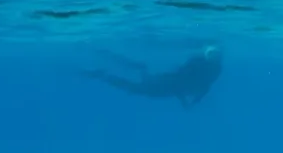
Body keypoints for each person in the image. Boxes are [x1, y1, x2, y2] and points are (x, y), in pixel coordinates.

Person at [82, 45, 223, 108]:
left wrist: (188, 101)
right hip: (163, 86)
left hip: (165, 85)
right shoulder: (201, 66)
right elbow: (180, 83)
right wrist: (185, 101)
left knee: (138, 84)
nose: (214, 58)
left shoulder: (212, 70)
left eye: (216, 55)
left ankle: (106, 69)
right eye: (212, 54)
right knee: (136, 88)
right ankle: (103, 74)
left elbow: (203, 87)